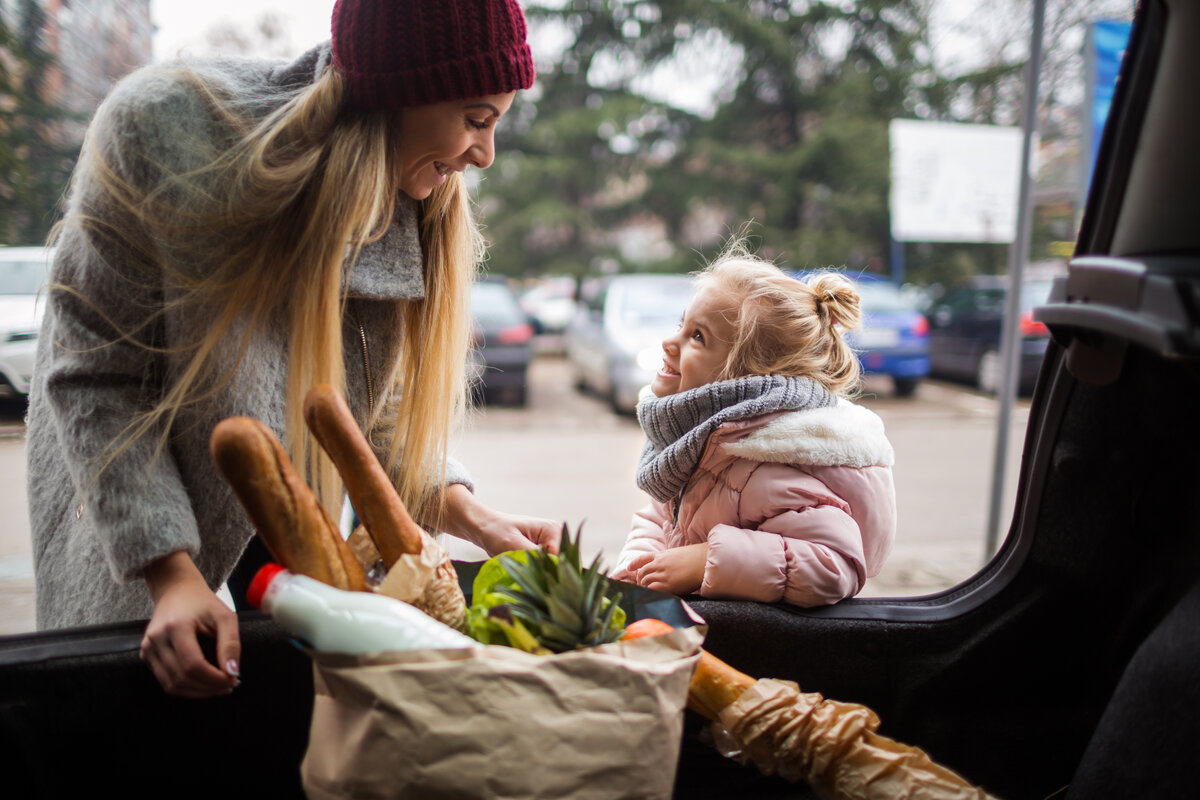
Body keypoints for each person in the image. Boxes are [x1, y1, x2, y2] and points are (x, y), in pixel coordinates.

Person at [26, 0, 560, 699]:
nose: (484, 154)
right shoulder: (159, 131)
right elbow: (97, 378)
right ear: (400, 92)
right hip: (138, 528)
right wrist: (172, 572)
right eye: (477, 118)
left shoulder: (411, 194)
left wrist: (470, 514)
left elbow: (372, 409)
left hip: (286, 535)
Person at [613, 240, 896, 606]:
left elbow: (834, 564)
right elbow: (661, 516)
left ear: (742, 379)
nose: (670, 342)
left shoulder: (763, 467)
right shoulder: (700, 439)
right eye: (682, 325)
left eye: (698, 337)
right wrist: (634, 573)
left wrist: (705, 562)